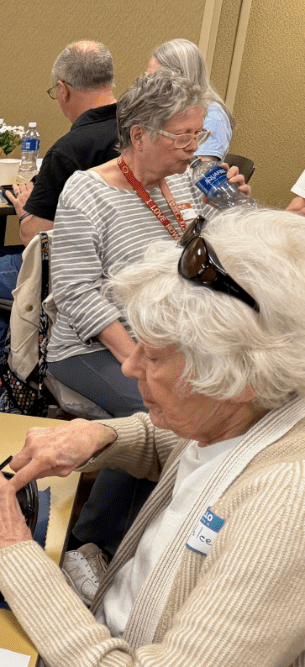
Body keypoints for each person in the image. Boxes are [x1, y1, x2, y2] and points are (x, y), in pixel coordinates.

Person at [0, 207, 305, 667]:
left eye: (156, 355)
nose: (130, 368)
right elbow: (202, 445)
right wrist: (107, 435)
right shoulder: (268, 407)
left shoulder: (288, 506)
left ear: (241, 375)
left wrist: (13, 551)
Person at [0, 40, 119, 361]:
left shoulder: (71, 149)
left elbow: (34, 235)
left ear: (63, 89)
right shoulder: (135, 132)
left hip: (66, 270)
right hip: (113, 267)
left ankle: (15, 351)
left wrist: (26, 208)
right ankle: (23, 334)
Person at [47, 69, 215, 417]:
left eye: (198, 134)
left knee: (237, 405)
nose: (195, 147)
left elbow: (207, 261)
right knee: (166, 416)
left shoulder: (185, 182)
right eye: (183, 136)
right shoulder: (87, 192)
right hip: (97, 347)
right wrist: (142, 362)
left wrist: (225, 214)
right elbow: (75, 293)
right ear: (139, 135)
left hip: (172, 338)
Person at [147, 38, 234, 162]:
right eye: (148, 78)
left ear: (179, 77)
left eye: (155, 80)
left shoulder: (212, 115)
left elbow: (196, 173)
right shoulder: (164, 109)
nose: (148, 86)